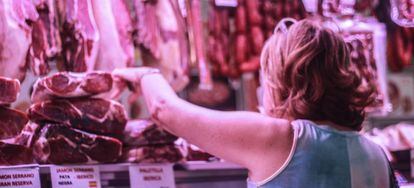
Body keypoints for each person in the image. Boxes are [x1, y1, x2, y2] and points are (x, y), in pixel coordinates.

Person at [113, 19, 397, 188]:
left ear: (285, 80)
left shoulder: (281, 138)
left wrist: (144, 74)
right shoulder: (378, 155)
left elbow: (166, 111)